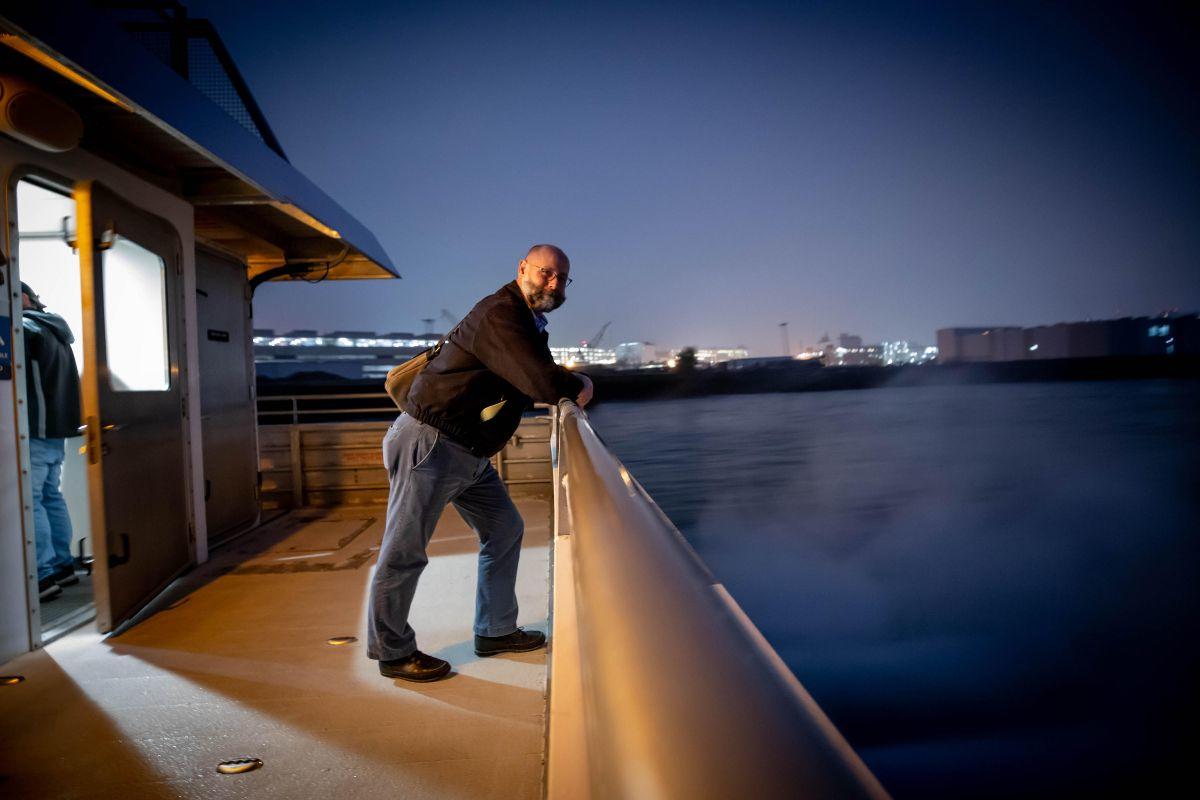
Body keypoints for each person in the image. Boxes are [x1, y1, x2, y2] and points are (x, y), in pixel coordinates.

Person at [369, 244, 594, 681]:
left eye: (560, 278)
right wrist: (580, 381)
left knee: (505, 528)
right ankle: (392, 652)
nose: (552, 283)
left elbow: (532, 375)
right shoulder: (500, 315)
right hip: (431, 443)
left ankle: (494, 630)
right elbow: (540, 380)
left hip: (467, 452)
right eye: (545, 273)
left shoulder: (526, 322)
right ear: (522, 269)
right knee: (404, 550)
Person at [20, 282, 83, 602]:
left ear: (24, 298)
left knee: (31, 502)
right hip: (56, 430)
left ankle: (43, 574)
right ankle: (62, 565)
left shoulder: (26, 330)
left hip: (34, 429)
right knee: (50, 497)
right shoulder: (55, 328)